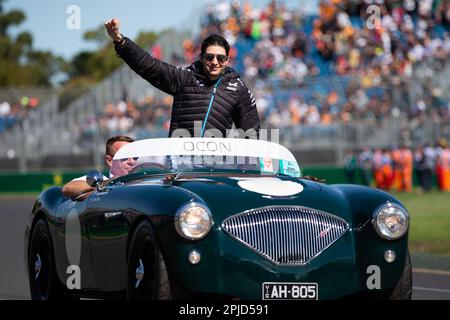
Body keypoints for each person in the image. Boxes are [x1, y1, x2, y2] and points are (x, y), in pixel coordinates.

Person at [104, 18, 260, 138]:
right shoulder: (184, 78)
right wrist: (120, 41)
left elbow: (251, 133)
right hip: (181, 165)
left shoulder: (238, 88)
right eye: (209, 57)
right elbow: (148, 66)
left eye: (220, 58)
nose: (214, 62)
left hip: (217, 168)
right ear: (201, 57)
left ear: (227, 60)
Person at [62, 135, 135, 199]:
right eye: (124, 157)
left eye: (135, 157)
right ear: (110, 161)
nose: (132, 161)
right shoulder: (100, 180)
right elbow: (67, 189)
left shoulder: (145, 180)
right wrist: (107, 183)